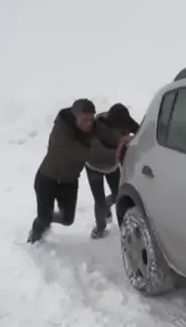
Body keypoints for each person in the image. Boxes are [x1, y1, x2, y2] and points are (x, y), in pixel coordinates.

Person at [28, 99, 123, 244]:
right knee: (43, 218)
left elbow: (104, 132)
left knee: (67, 220)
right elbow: (88, 153)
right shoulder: (62, 133)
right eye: (85, 120)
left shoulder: (90, 127)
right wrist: (115, 154)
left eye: (91, 119)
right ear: (74, 115)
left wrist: (122, 139)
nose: (89, 123)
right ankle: (33, 239)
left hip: (69, 182)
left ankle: (47, 218)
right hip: (47, 180)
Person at [85, 103, 139, 238]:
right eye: (120, 127)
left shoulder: (123, 120)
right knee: (99, 201)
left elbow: (138, 131)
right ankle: (100, 229)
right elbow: (112, 149)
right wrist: (125, 142)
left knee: (118, 194)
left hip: (112, 166)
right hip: (94, 166)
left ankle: (107, 204)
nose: (124, 129)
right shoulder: (99, 127)